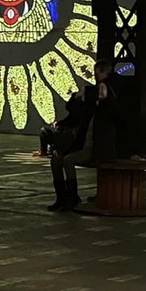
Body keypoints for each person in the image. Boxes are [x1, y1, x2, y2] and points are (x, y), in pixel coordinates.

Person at [48, 59, 115, 212]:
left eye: (98, 75)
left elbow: (107, 99)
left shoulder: (108, 102)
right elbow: (73, 113)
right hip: (80, 144)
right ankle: (61, 198)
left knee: (68, 161)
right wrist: (78, 97)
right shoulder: (89, 107)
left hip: (94, 148)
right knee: (56, 161)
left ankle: (72, 197)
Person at [38, 90, 83, 157]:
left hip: (67, 142)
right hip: (73, 144)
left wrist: (58, 125)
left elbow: (69, 122)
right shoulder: (81, 114)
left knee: (44, 131)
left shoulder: (75, 115)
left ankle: (43, 151)